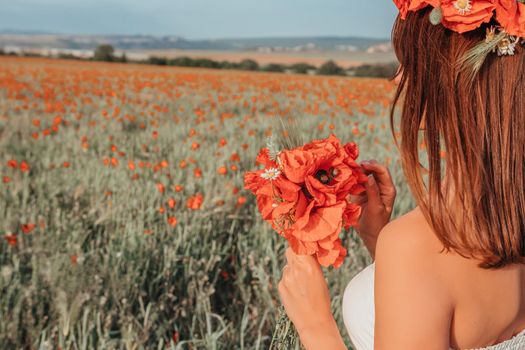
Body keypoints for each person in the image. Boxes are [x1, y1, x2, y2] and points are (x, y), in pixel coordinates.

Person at [277, 1, 525, 349]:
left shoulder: (415, 247)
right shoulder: (507, 221)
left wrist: (316, 326)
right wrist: (381, 240)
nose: (397, 78)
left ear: (452, 81)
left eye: (410, 62)